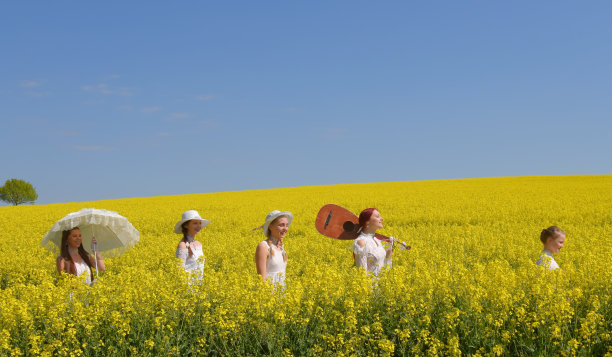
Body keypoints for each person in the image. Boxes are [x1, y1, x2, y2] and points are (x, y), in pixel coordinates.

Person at [255, 210, 292, 286]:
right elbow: (261, 279)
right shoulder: (263, 246)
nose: (285, 228)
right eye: (281, 225)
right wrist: (269, 296)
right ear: (270, 226)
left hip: (282, 292)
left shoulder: (281, 246)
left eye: (286, 225)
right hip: (269, 294)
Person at [352, 208, 393, 275]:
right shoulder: (361, 242)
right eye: (377, 216)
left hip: (381, 283)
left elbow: (381, 261)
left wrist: (390, 246)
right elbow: (362, 273)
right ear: (367, 222)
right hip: (370, 284)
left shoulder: (376, 240)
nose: (381, 218)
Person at [175, 210, 210, 278]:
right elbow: (179, 271)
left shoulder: (198, 244)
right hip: (187, 286)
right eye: (195, 223)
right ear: (186, 225)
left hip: (199, 286)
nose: (199, 226)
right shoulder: (183, 245)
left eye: (200, 223)